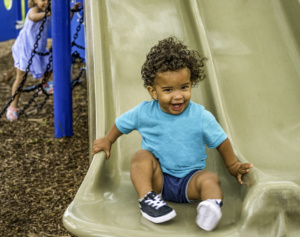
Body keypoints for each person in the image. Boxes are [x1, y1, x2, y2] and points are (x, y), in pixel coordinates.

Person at [92, 37, 253, 231]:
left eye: (184, 87)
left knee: (210, 179)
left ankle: (210, 207)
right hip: (158, 179)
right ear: (153, 91)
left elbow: (221, 141)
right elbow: (121, 124)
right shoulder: (144, 112)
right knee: (141, 157)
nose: (178, 95)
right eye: (168, 90)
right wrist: (108, 140)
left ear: (191, 84)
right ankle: (148, 199)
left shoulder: (201, 115)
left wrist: (233, 165)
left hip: (191, 181)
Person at [6, 0, 82, 121]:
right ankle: (12, 106)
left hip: (39, 49)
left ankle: (43, 85)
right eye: (42, 0)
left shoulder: (49, 11)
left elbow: (65, 19)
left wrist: (72, 10)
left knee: (50, 66)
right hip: (25, 49)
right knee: (21, 78)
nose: (45, 2)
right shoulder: (34, 10)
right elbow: (33, 17)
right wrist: (48, 13)